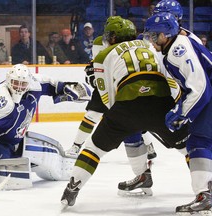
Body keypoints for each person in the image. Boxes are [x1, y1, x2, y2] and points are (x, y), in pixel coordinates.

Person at [60, 16, 189, 209]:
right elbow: (170, 78)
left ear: (113, 37)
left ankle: (72, 188)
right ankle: (207, 185)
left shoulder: (104, 54)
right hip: (163, 104)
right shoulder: (151, 46)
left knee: (93, 149)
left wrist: (121, 122)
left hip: (127, 106)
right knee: (191, 147)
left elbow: (108, 98)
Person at [0, 64, 91, 189]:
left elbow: (53, 84)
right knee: (10, 171)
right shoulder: (2, 100)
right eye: (15, 83)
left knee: (49, 153)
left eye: (22, 84)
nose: (19, 87)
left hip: (18, 140)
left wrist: (69, 88)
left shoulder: (35, 84)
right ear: (8, 81)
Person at [144, 12, 212, 215]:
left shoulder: (178, 50)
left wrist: (183, 112)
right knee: (202, 142)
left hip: (209, 98)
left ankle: (204, 196)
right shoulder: (180, 42)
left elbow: (199, 87)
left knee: (198, 142)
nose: (152, 40)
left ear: (166, 34)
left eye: (155, 35)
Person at [65, 16, 158, 161]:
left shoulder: (137, 43)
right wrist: (93, 71)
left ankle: (149, 145)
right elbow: (98, 65)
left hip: (128, 83)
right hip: (109, 80)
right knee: (93, 114)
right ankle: (76, 146)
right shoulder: (102, 43)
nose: (107, 37)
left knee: (135, 116)